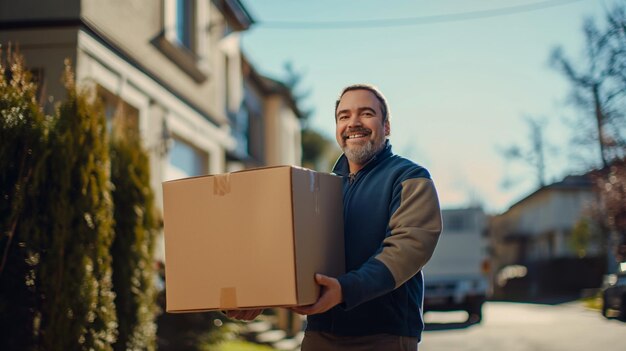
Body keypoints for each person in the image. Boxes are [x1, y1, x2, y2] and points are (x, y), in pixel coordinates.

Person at [228, 84, 442, 351]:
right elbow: (295, 251)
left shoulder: (409, 178)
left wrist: (345, 289)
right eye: (344, 116)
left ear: (386, 127)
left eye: (366, 114)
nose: (353, 123)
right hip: (320, 335)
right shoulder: (322, 188)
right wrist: (260, 292)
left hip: (382, 337)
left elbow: (408, 248)